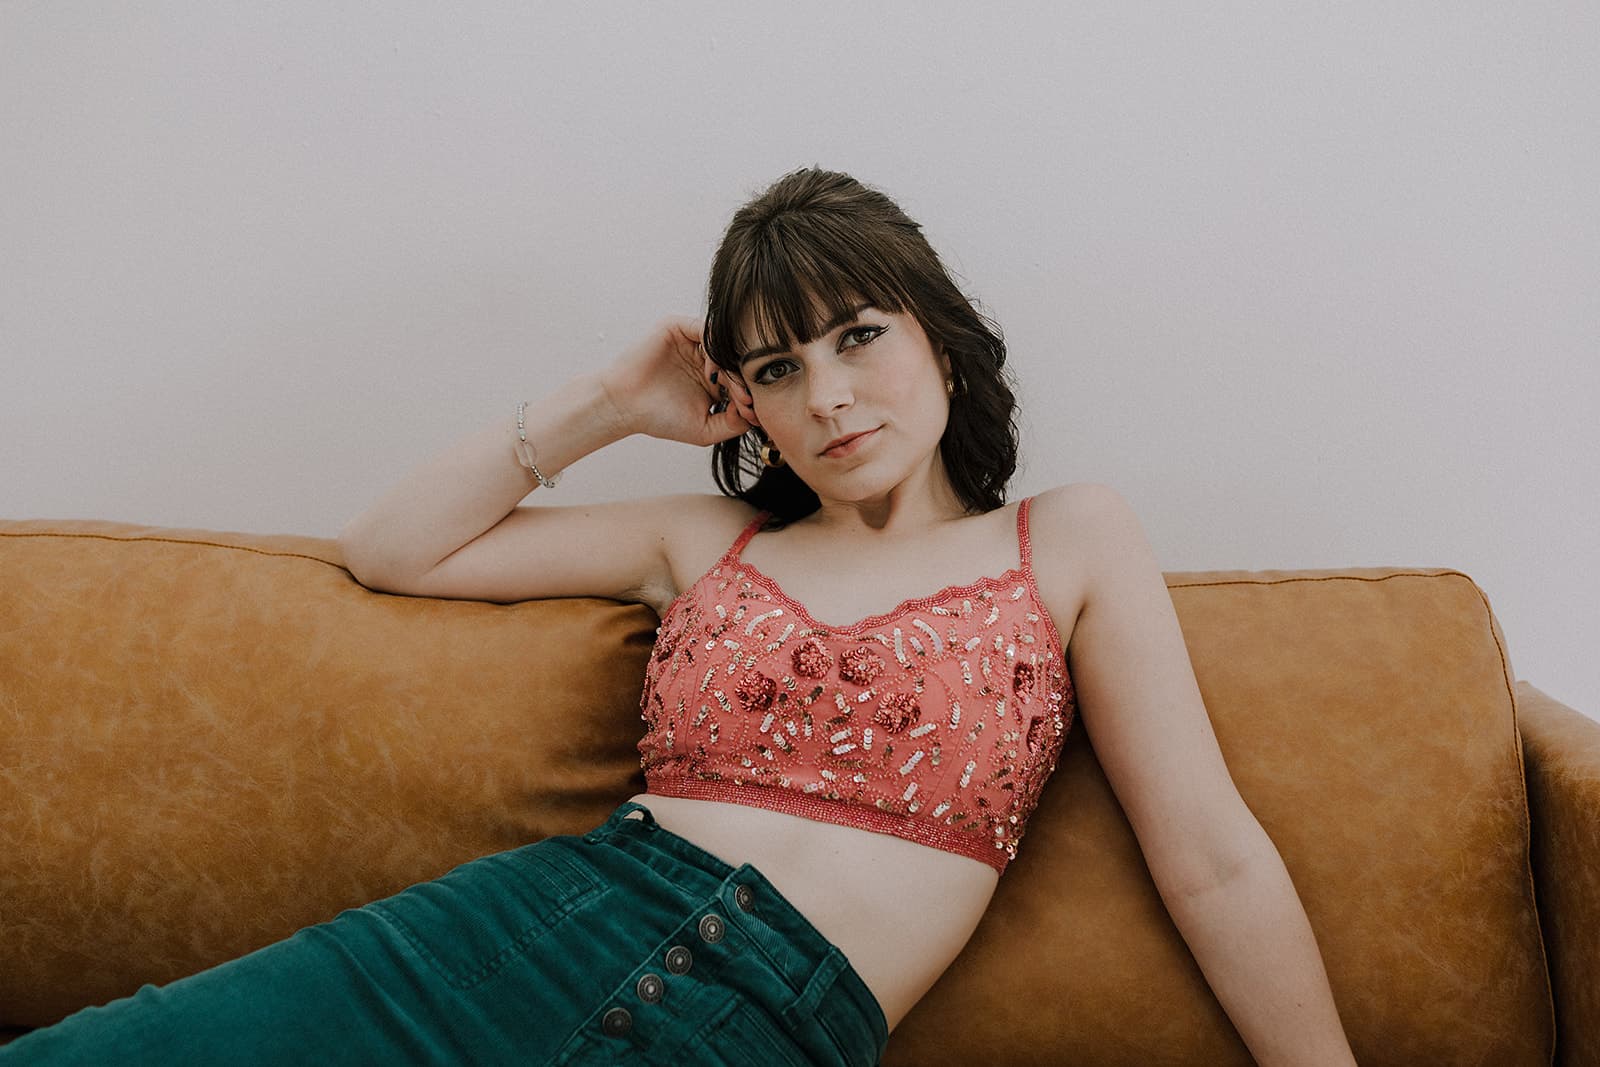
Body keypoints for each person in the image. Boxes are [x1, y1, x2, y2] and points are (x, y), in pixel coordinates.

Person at [1, 167, 1356, 1065]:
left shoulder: (1066, 538)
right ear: (746, 404)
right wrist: (608, 401)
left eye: (859, 335)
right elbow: (391, 549)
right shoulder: (704, 537)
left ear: (939, 337)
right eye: (778, 365)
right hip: (525, 933)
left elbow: (1215, 862)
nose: (827, 396)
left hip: (773, 1019)